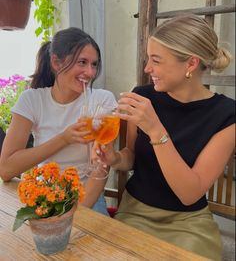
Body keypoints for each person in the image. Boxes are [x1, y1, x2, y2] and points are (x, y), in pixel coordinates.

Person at [93, 14, 235, 260]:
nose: (147, 68)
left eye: (156, 60)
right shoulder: (144, 97)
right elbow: (132, 158)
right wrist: (114, 158)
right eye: (149, 58)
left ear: (190, 64)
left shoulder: (226, 115)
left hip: (188, 224)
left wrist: (156, 130)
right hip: (135, 212)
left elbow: (189, 194)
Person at [0, 27, 117, 216]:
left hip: (87, 198)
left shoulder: (101, 101)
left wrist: (77, 214)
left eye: (94, 64)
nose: (90, 72)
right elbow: (6, 169)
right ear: (56, 61)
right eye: (82, 62)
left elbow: (100, 168)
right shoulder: (32, 100)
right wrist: (64, 138)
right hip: (45, 197)